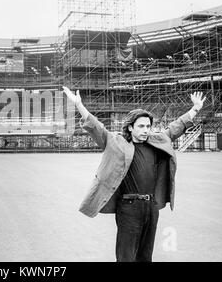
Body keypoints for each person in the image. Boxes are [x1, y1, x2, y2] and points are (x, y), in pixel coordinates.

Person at [62, 86, 206, 262]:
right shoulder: (116, 143)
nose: (146, 130)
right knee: (126, 257)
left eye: (148, 126)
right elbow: (96, 127)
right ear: (130, 127)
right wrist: (79, 105)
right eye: (141, 126)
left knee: (145, 256)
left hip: (151, 207)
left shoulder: (156, 141)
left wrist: (195, 108)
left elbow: (176, 127)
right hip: (129, 207)